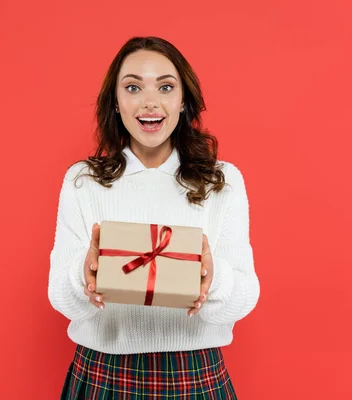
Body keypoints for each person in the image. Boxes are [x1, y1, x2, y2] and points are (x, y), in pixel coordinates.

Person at [48, 36, 260, 399]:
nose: (150, 102)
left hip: (194, 374)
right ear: (116, 102)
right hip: (103, 373)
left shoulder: (221, 180)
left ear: (183, 102)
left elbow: (244, 298)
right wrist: (82, 275)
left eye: (165, 87)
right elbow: (59, 297)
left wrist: (214, 277)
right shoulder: (83, 181)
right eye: (133, 87)